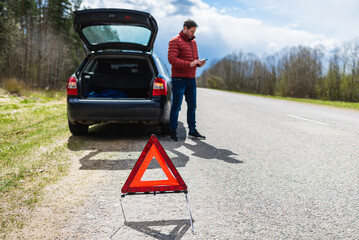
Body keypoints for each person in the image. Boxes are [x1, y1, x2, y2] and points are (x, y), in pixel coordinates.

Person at [167, 19, 206, 141]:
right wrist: (190, 64)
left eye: (194, 31)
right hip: (179, 79)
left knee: (192, 107)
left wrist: (199, 63)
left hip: (191, 79)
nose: (193, 34)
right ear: (185, 28)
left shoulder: (194, 42)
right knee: (176, 107)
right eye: (191, 31)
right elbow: (172, 59)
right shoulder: (174, 41)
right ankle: (172, 131)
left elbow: (195, 59)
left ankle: (192, 131)